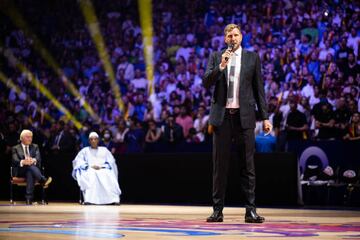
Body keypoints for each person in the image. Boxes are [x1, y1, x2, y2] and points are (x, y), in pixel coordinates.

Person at [203, 24, 272, 223]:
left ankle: (250, 211)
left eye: (236, 35)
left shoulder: (252, 57)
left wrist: (265, 117)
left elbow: (259, 89)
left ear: (241, 37)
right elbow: (206, 82)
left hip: (245, 117)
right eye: (229, 36)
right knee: (219, 167)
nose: (233, 38)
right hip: (222, 117)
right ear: (225, 39)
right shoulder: (217, 57)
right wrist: (222, 66)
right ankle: (217, 211)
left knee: (247, 166)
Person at [72, 132, 121, 205]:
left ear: (98, 140)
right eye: (91, 139)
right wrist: (89, 166)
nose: (93, 141)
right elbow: (78, 161)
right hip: (89, 169)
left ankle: (113, 199)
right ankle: (89, 200)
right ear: (89, 141)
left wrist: (102, 167)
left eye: (95, 139)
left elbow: (111, 162)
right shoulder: (85, 151)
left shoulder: (104, 150)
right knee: (91, 174)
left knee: (108, 174)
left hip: (103, 169)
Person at [12, 129, 52, 205]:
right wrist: (24, 161)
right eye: (28, 137)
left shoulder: (35, 146)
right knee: (29, 167)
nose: (30, 139)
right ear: (22, 138)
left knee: (29, 170)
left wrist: (32, 160)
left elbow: (38, 158)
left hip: (31, 170)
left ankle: (28, 199)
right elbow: (15, 160)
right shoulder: (15, 148)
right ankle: (43, 180)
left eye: (31, 137)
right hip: (20, 170)